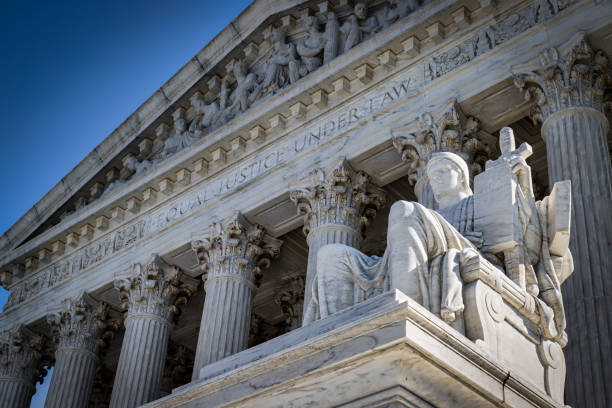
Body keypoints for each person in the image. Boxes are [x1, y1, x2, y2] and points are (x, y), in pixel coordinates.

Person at [305, 149, 571, 341]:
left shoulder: (479, 204)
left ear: (463, 177)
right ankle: (333, 341)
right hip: (408, 263)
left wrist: (517, 186)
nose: (437, 179)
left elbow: (526, 241)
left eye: (444, 171)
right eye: (432, 175)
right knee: (331, 254)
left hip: (467, 252)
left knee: (405, 210)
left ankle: (409, 314)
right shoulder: (430, 216)